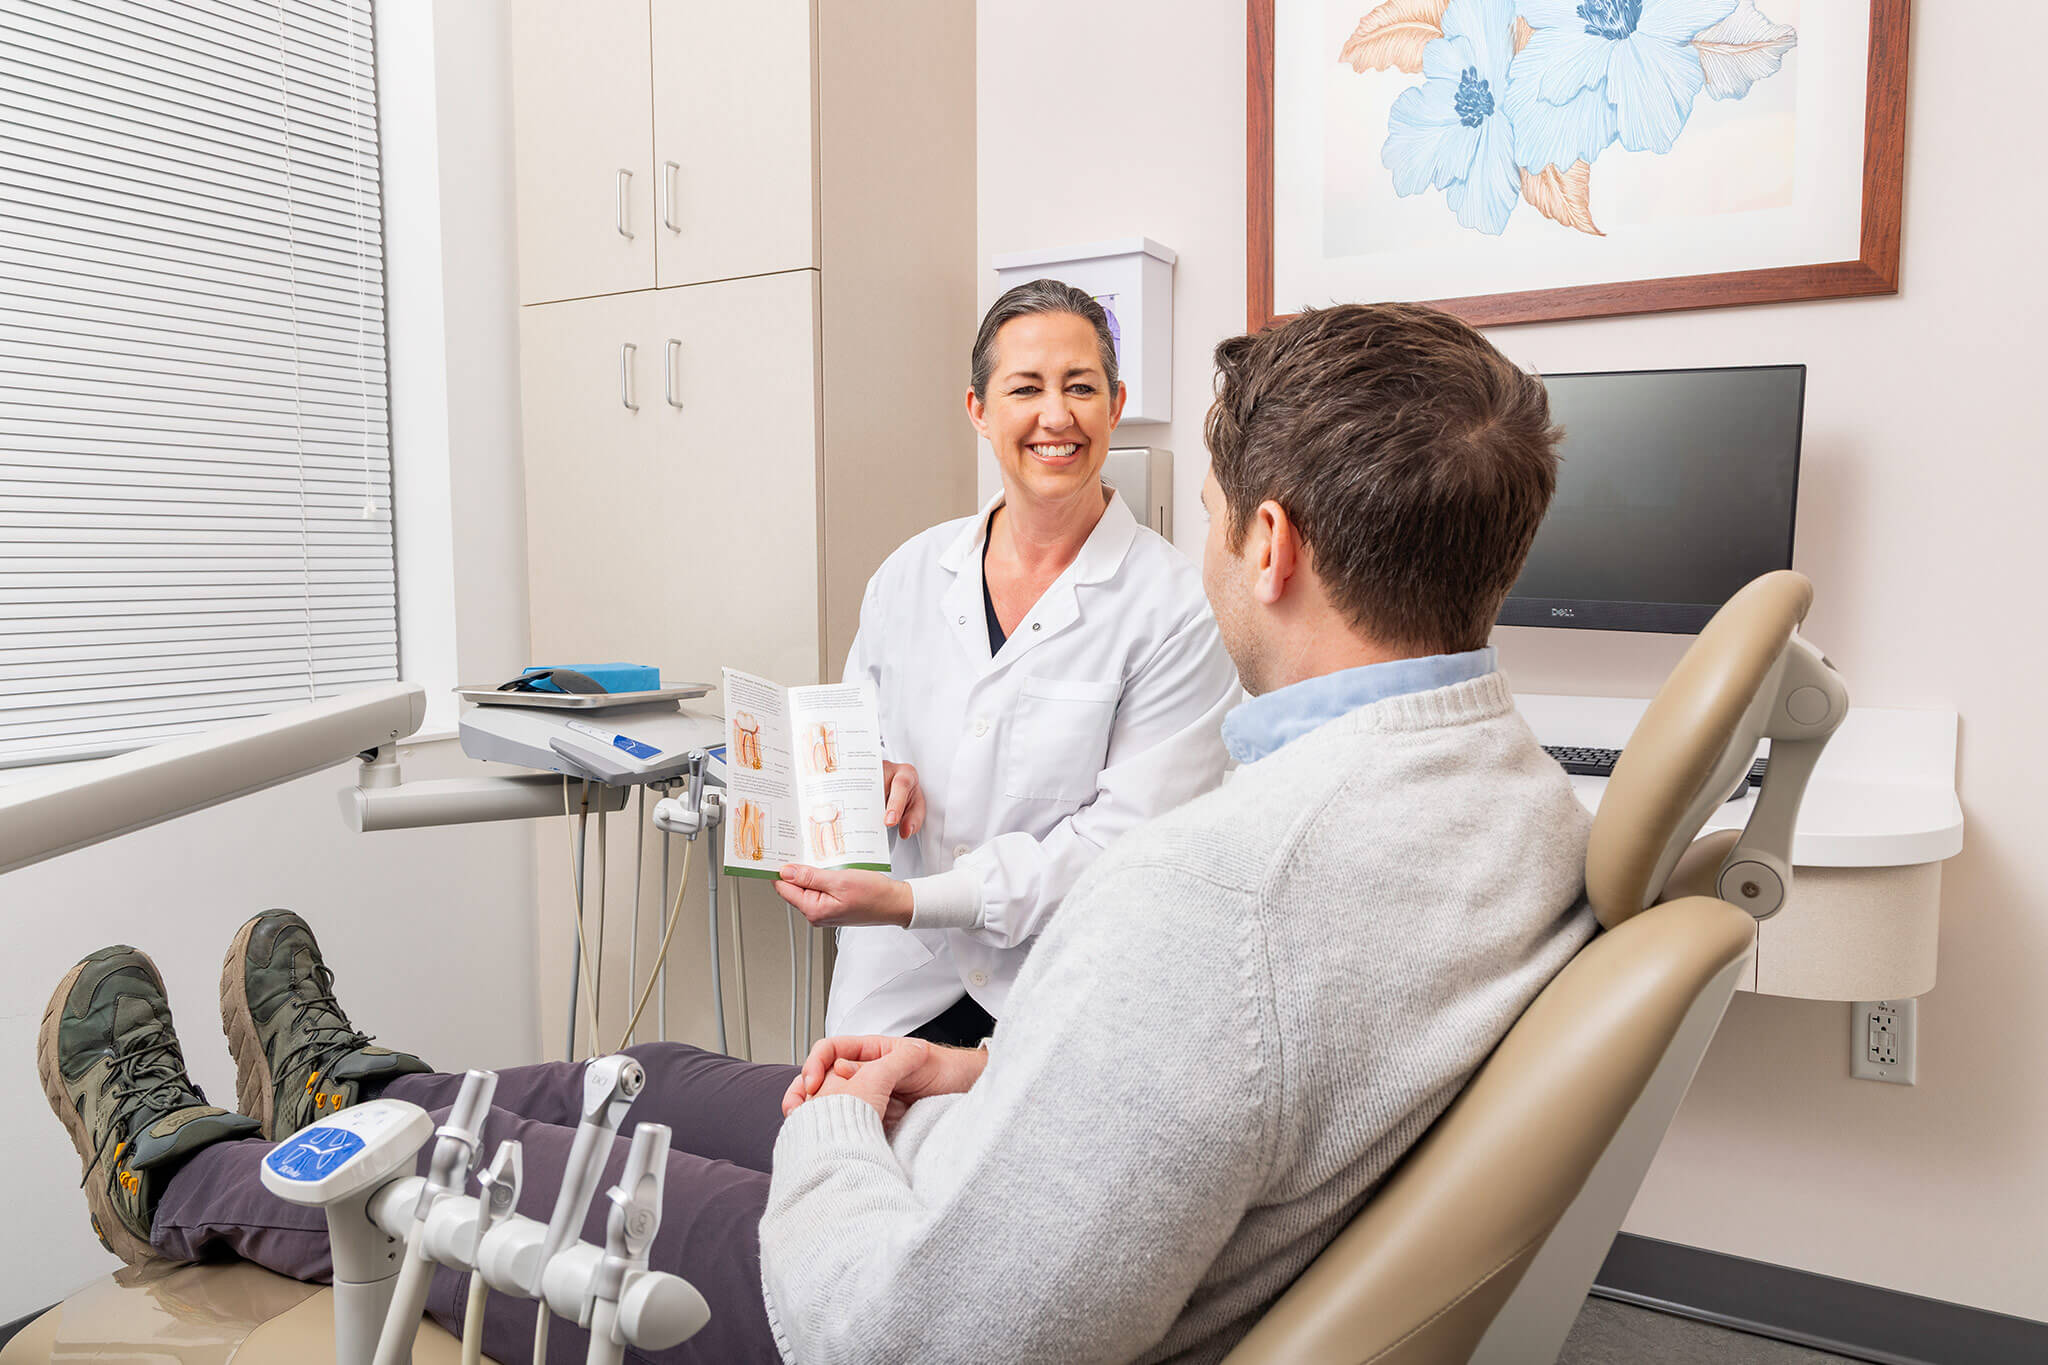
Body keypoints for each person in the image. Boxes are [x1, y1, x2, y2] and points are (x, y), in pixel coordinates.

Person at [41, 302, 1595, 1365]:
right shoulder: (1518, 792)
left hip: (856, 1299)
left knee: (479, 1168)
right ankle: (356, 1083)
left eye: (1202, 504)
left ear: (1269, 543)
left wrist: (842, 1130)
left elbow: (919, 1333)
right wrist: (969, 1069)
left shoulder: (1222, 888)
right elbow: (1255, 1073)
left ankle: (178, 1170)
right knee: (636, 1071)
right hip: (1022, 1140)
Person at [772, 279, 1242, 1044]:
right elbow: (852, 765)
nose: (1055, 415)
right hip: (891, 988)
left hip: (1056, 1004)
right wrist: (871, 780)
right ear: (979, 411)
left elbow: (1117, 854)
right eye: (1026, 387)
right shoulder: (907, 577)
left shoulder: (1175, 608)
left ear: (1116, 405)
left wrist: (920, 900)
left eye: (1081, 387)